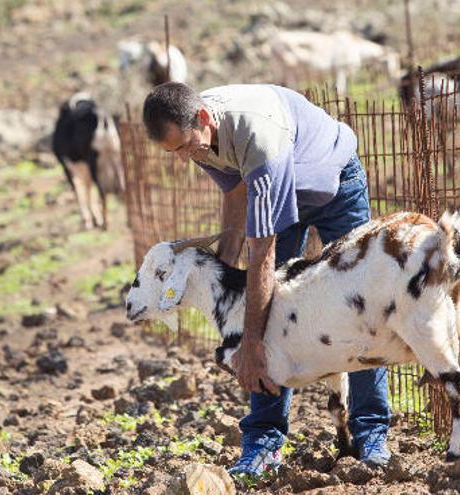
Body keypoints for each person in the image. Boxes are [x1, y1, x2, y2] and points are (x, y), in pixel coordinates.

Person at [141, 82, 391, 476]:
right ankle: (264, 442)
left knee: (360, 305)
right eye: (176, 152)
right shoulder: (198, 134)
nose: (186, 157)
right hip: (283, 186)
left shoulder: (257, 136)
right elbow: (235, 195)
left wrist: (250, 342)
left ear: (203, 119)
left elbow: (262, 256)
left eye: (187, 146)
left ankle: (371, 433)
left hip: (333, 183)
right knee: (263, 316)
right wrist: (225, 286)